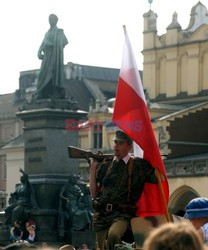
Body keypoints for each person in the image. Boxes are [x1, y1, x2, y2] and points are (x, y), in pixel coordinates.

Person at [89, 130, 159, 250]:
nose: (116, 146)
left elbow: (157, 178)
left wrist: (157, 159)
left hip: (122, 215)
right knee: (102, 247)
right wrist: (93, 168)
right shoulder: (106, 166)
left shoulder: (139, 166)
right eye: (115, 142)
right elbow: (94, 194)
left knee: (113, 235)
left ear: (129, 146)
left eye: (120, 143)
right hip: (102, 216)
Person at [35, 13, 68, 99]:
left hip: (55, 57)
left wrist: (52, 44)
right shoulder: (47, 33)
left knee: (52, 73)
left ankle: (54, 92)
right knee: (41, 74)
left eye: (52, 19)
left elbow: (64, 42)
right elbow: (42, 44)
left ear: (56, 21)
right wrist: (39, 52)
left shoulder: (59, 32)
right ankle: (40, 92)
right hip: (46, 57)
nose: (50, 21)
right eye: (49, 19)